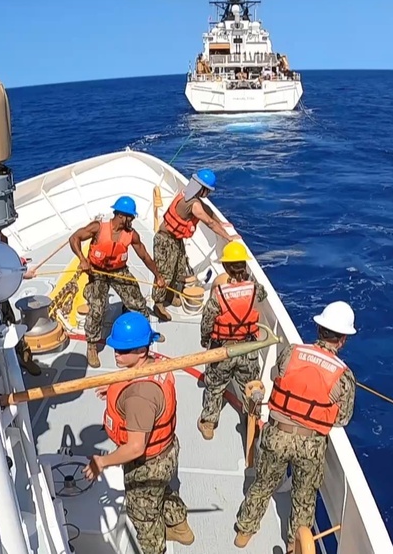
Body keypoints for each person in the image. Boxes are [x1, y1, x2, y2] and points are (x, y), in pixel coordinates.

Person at [233, 301, 358, 550]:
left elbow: (277, 375)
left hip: (277, 434)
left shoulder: (292, 352)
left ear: (319, 329)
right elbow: (342, 418)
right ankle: (294, 545)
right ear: (342, 340)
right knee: (304, 497)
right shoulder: (344, 376)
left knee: (263, 483)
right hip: (310, 445)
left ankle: (244, 531)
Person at [82, 312, 195, 553]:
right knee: (163, 491)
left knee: (143, 514)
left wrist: (102, 462)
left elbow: (135, 447)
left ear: (142, 351)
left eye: (124, 351)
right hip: (167, 452)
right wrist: (114, 387)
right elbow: (135, 383)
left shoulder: (140, 397)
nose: (116, 354)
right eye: (116, 348)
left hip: (148, 463)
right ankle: (180, 527)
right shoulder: (154, 363)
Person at [69, 196, 166, 368]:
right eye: (131, 217)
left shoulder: (131, 235)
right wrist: (83, 260)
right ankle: (92, 343)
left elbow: (144, 256)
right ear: (122, 216)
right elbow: (74, 238)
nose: (133, 220)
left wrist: (158, 276)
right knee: (97, 308)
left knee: (137, 302)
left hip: (118, 270)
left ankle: (145, 333)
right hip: (97, 272)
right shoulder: (98, 228)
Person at [196, 241, 267, 440]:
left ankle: (209, 422)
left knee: (215, 386)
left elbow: (207, 321)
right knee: (251, 386)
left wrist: (204, 341)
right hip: (248, 348)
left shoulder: (219, 295)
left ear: (226, 268)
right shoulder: (255, 289)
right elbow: (263, 293)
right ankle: (252, 420)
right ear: (244, 266)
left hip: (223, 351)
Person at [152, 168, 239, 321]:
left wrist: (222, 223)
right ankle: (158, 304)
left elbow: (209, 212)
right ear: (203, 189)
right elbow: (209, 222)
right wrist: (228, 237)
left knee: (178, 269)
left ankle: (170, 295)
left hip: (175, 239)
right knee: (165, 273)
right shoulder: (194, 205)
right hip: (165, 240)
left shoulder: (189, 194)